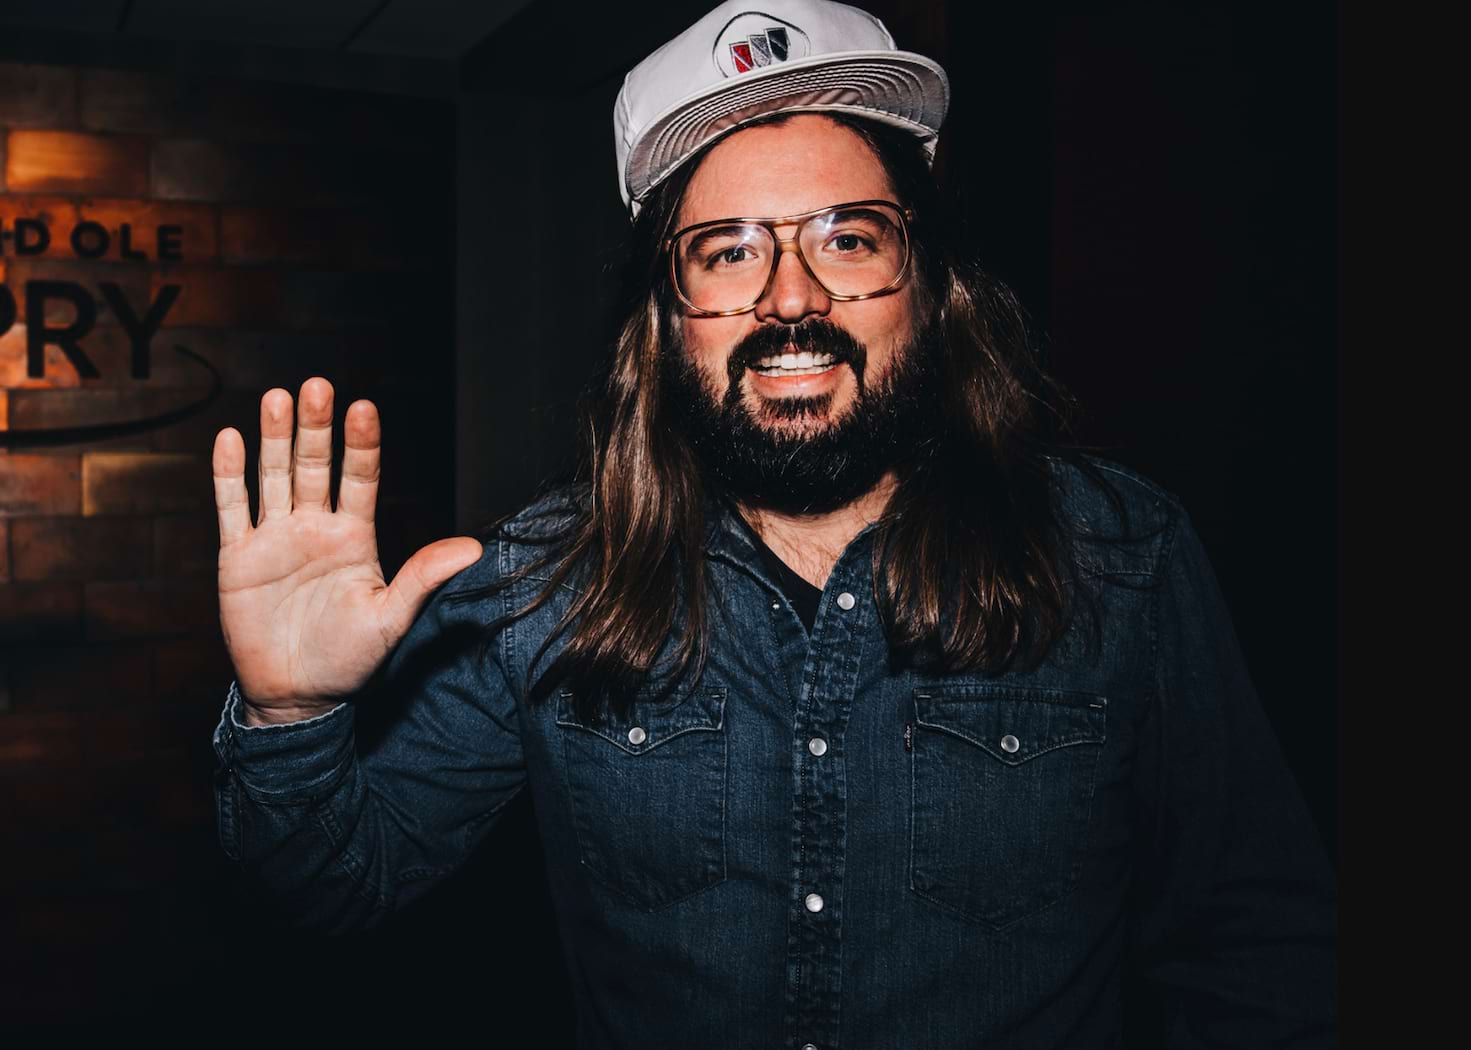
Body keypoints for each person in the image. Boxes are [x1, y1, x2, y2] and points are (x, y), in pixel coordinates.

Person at [208, 1, 1337, 1046]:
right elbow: (337, 883)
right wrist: (290, 716)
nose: (791, 297)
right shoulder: (545, 580)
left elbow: (1254, 951)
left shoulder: (1120, 556)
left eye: (848, 238)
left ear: (926, 283)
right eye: (732, 251)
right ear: (665, 319)